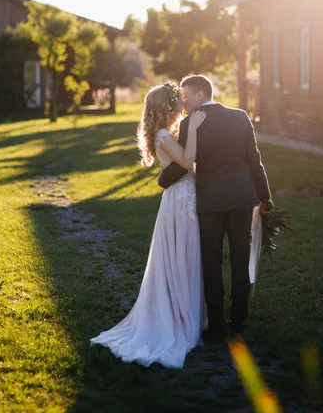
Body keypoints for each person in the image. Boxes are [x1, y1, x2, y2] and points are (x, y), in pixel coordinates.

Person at [90, 82, 207, 368]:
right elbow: (187, 161)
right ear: (166, 108)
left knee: (189, 255)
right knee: (184, 256)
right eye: (176, 103)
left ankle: (190, 313)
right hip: (181, 201)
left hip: (184, 198)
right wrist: (193, 129)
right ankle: (182, 317)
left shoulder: (167, 132)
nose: (181, 105)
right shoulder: (164, 135)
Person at [158, 75, 274, 343]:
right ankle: (238, 325)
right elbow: (255, 161)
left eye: (185, 97)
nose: (182, 103)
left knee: (211, 263)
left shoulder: (190, 124)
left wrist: (162, 179)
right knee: (239, 260)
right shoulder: (241, 116)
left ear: (200, 95)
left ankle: (216, 326)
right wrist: (265, 198)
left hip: (210, 202)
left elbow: (184, 164)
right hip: (242, 200)